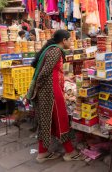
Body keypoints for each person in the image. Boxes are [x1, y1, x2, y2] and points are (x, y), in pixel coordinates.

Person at [25, 30, 84, 163]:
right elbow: (45, 72)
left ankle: (42, 153)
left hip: (48, 91)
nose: (71, 42)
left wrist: (64, 78)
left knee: (47, 121)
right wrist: (38, 87)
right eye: (70, 40)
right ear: (64, 40)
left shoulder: (52, 50)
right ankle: (69, 152)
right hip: (51, 92)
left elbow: (51, 71)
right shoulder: (56, 51)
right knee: (61, 119)